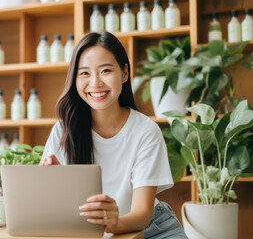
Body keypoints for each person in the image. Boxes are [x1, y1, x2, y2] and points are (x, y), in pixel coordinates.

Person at [39, 32, 187, 239]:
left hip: (152, 229)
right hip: (92, 232)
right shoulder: (64, 130)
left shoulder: (145, 132)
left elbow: (142, 215)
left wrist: (114, 223)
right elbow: (54, 210)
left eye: (105, 70)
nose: (95, 83)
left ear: (124, 73)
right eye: (84, 73)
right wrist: (54, 184)